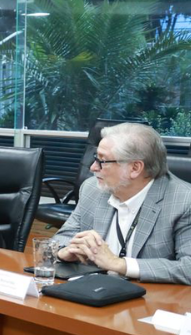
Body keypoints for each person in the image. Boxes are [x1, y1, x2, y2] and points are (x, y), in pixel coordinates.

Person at [53, 122, 191, 284]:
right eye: (95, 158)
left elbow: (188, 268)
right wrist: (65, 251)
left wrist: (119, 264)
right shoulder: (92, 189)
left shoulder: (183, 201)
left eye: (102, 161)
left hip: (152, 301)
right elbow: (62, 237)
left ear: (135, 168)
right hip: (93, 293)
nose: (92, 168)